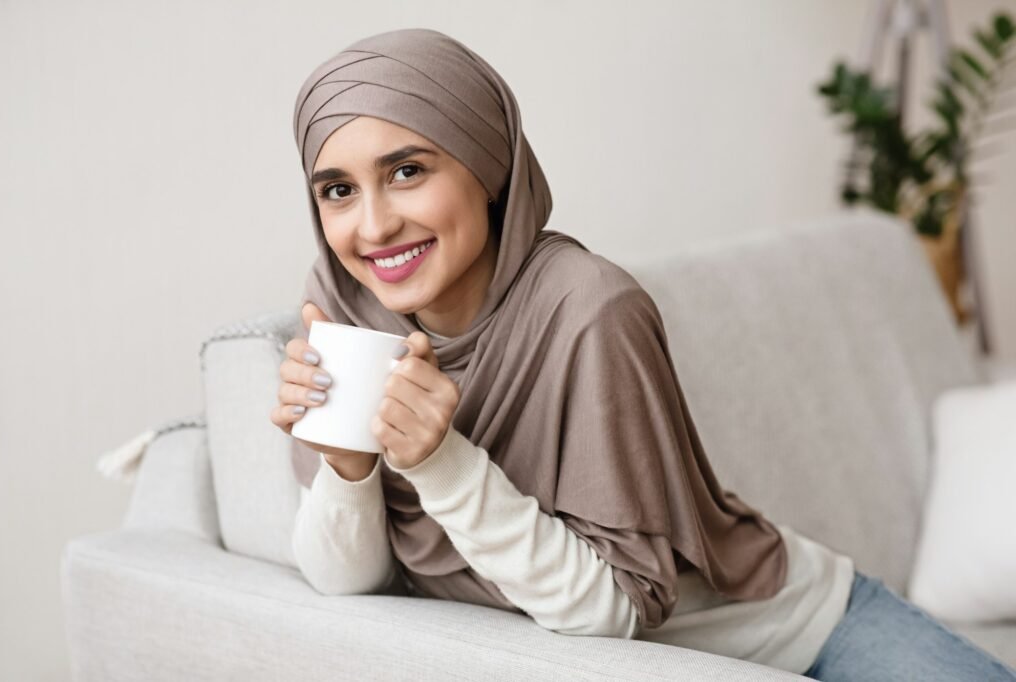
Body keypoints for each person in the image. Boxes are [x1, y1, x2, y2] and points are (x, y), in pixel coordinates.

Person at [269, 27, 1016, 681]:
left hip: (799, 630)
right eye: (337, 191)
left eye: (408, 171)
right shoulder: (345, 309)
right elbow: (343, 582)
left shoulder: (593, 308)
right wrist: (348, 464)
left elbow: (613, 611)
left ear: (488, 165)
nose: (373, 227)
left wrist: (439, 462)